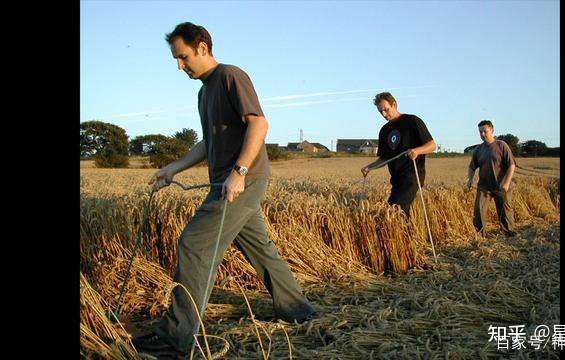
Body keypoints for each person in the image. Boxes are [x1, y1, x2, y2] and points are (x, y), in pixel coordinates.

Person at [133, 22, 316, 357]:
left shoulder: (231, 76)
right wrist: (174, 167)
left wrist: (239, 172)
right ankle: (300, 310)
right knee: (261, 249)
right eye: (176, 59)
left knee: (194, 243)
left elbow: (259, 123)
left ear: (202, 47)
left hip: (240, 182)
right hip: (229, 183)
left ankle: (175, 338)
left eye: (184, 57)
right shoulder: (204, 92)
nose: (180, 66)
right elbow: (209, 142)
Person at [361, 92, 437, 216]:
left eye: (386, 109)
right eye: (381, 112)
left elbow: (432, 145)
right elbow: (384, 158)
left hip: (412, 176)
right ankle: (410, 234)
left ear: (394, 104)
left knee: (396, 211)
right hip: (396, 179)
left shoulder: (412, 121)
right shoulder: (384, 131)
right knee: (394, 211)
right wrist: (370, 167)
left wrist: (417, 151)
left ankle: (405, 234)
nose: (384, 114)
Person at [465, 120, 517, 237]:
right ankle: (480, 235)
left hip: (502, 186)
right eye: (480, 132)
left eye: (485, 131)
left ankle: (509, 234)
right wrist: (469, 180)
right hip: (484, 187)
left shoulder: (501, 145)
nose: (482, 134)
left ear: (492, 130)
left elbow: (511, 165)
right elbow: (472, 167)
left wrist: (507, 183)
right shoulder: (478, 149)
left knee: (505, 211)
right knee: (479, 211)